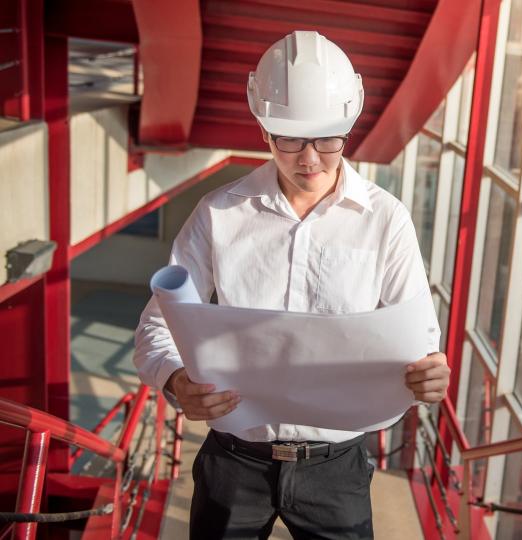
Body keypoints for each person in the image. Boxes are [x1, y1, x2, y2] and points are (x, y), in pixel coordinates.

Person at [133, 31, 450, 539]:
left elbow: (420, 341)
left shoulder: (386, 219)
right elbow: (156, 325)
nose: (310, 159)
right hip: (233, 460)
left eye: (328, 140)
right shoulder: (218, 213)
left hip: (337, 468)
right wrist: (175, 382)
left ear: (350, 127)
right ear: (263, 129)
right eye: (289, 139)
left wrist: (430, 374)